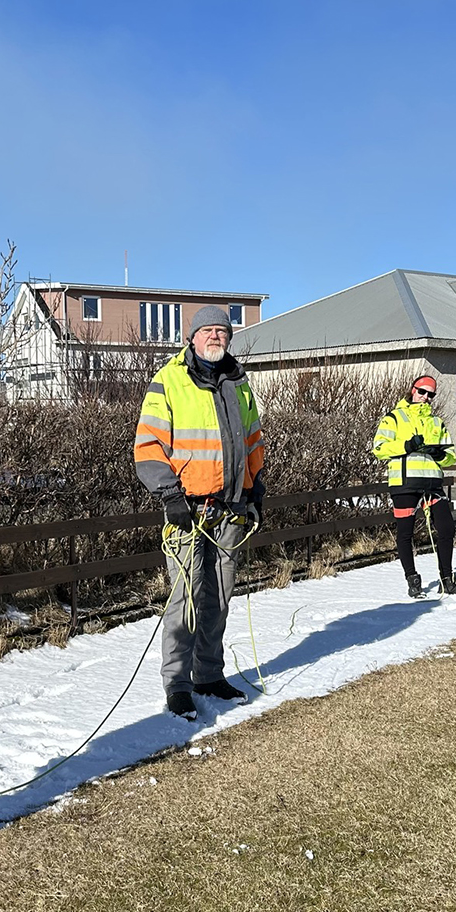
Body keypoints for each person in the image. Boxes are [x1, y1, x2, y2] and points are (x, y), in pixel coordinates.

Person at [134, 306, 266, 720]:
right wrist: (170, 496)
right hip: (186, 512)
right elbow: (148, 446)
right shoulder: (169, 380)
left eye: (222, 331)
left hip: (229, 512)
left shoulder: (239, 383)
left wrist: (255, 487)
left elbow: (253, 442)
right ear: (192, 336)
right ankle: (177, 684)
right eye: (207, 330)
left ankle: (209, 674)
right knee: (185, 601)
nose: (215, 337)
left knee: (219, 600)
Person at [372, 373, 456, 597]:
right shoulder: (393, 418)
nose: (426, 397)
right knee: (405, 533)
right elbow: (379, 448)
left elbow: (451, 456)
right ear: (413, 390)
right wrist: (407, 446)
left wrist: (441, 455)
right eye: (422, 392)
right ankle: (412, 578)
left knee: (447, 529)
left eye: (431, 394)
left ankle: (447, 579)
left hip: (432, 483)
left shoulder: (436, 422)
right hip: (404, 483)